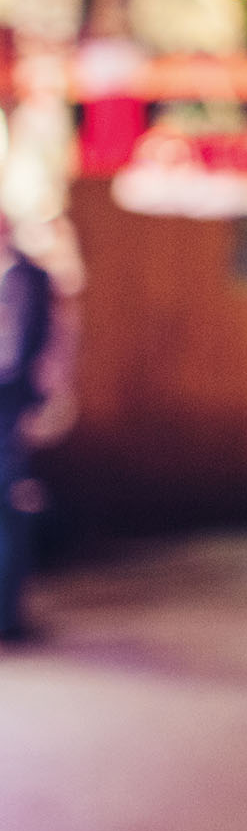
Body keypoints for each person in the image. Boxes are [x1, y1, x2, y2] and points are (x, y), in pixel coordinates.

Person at [0, 211, 53, 641]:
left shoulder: (33, 276)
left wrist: (44, 403)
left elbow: (47, 346)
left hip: (11, 403)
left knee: (11, 503)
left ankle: (7, 612)